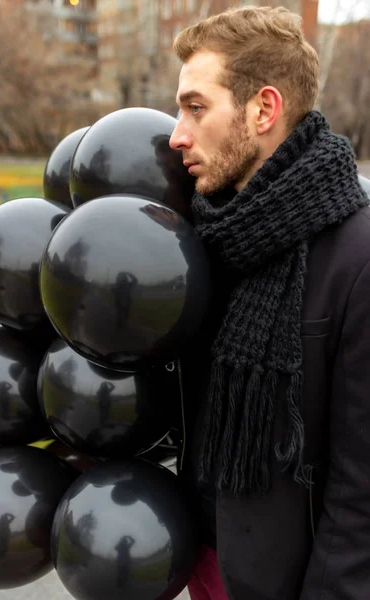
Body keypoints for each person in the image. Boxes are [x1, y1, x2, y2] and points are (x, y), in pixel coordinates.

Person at [169, 6, 370, 600]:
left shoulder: (358, 259)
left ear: (263, 109)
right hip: (201, 561)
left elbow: (362, 493)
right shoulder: (202, 238)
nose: (177, 132)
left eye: (195, 107)